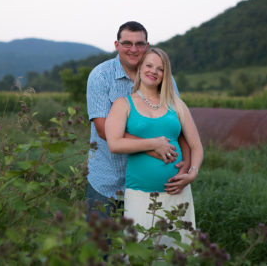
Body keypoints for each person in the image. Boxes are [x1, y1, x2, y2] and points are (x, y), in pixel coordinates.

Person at [86, 21, 191, 217]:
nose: (133, 49)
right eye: (127, 43)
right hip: (108, 182)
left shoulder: (162, 77)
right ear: (117, 45)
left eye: (139, 44)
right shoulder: (100, 76)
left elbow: (177, 124)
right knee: (100, 244)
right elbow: (103, 129)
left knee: (148, 245)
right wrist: (154, 147)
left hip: (154, 188)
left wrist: (187, 163)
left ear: (147, 46)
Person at [105, 48, 203, 245]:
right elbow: (114, 143)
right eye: (149, 65)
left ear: (165, 74)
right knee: (141, 250)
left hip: (178, 194)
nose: (153, 71)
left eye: (160, 69)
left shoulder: (176, 104)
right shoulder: (123, 104)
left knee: (177, 252)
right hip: (140, 195)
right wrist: (153, 143)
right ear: (140, 68)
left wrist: (192, 173)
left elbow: (196, 146)